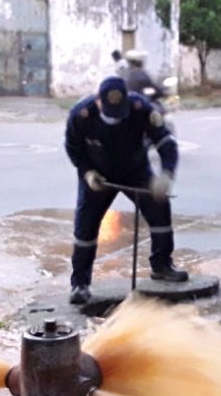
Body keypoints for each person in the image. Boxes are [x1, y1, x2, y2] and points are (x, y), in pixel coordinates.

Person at [64, 76, 187, 305]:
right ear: (99, 103)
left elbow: (165, 143)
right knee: (85, 226)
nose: (115, 119)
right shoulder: (81, 115)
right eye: (110, 113)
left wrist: (167, 174)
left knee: (160, 209)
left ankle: (162, 266)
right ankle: (80, 283)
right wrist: (87, 172)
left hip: (135, 170)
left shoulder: (141, 109)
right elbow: (74, 148)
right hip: (98, 175)